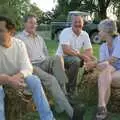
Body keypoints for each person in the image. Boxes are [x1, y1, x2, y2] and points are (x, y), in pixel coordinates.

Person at [16, 15, 85, 120]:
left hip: (43, 63)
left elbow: (46, 55)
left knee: (57, 58)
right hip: (31, 67)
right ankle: (72, 113)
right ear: (24, 23)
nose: (33, 25)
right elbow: (20, 60)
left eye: (35, 23)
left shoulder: (39, 38)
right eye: (30, 22)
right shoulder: (19, 38)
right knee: (52, 79)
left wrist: (55, 68)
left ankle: (63, 99)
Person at [0, 16, 55, 120]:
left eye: (0, 31)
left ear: (11, 32)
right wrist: (9, 80)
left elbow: (28, 67)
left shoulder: (19, 44)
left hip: (17, 76)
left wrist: (17, 76)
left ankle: (48, 117)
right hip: (1, 79)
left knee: (34, 80)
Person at [56, 15, 96, 93]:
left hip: (74, 56)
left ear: (83, 24)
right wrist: (82, 56)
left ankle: (83, 85)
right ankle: (71, 89)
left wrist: (87, 58)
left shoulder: (85, 34)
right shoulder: (66, 32)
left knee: (93, 60)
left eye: (79, 22)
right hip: (62, 58)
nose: (77, 24)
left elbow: (89, 50)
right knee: (75, 61)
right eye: (75, 22)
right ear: (71, 23)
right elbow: (66, 50)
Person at [94, 19, 120, 120]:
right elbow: (103, 65)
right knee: (106, 74)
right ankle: (102, 107)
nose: (98, 33)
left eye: (100, 30)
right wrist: (97, 63)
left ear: (107, 31)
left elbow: (112, 60)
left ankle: (100, 106)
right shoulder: (103, 47)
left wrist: (96, 64)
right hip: (112, 70)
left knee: (106, 77)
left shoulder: (119, 41)